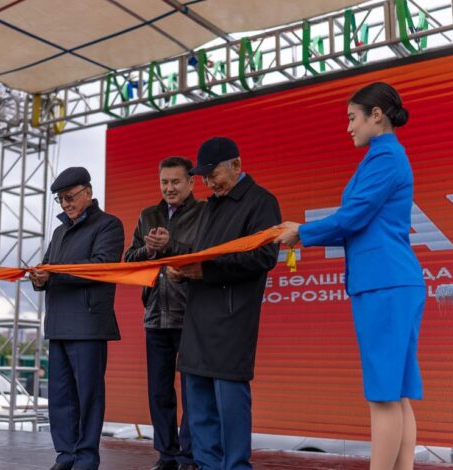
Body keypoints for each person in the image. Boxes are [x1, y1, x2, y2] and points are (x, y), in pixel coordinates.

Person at [275, 82, 425, 470]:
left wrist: (302, 231)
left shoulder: (385, 157)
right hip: (390, 281)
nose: (348, 127)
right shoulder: (384, 156)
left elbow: (353, 216)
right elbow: (358, 223)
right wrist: (303, 232)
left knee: (383, 394)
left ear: (376, 114)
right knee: (396, 392)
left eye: (352, 118)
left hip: (384, 283)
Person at [167, 137, 281, 470]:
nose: (208, 182)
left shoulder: (261, 202)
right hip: (198, 317)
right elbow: (202, 255)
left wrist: (206, 271)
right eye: (203, 176)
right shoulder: (211, 206)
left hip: (232, 317)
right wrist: (182, 269)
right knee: (198, 406)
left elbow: (264, 256)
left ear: (236, 165)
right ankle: (207, 465)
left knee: (230, 403)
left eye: (213, 174)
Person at [30, 167, 124, 470]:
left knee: (88, 397)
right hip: (58, 323)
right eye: (60, 199)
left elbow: (100, 267)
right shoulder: (59, 232)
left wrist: (53, 273)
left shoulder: (108, 225)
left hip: (88, 325)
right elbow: (48, 266)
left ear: (88, 192)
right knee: (60, 397)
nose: (65, 204)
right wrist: (39, 278)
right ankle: (66, 455)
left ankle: (85, 458)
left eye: (70, 197)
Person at [124, 156, 203, 470]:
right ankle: (167, 455)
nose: (169, 188)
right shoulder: (148, 215)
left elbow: (204, 256)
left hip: (192, 314)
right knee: (159, 392)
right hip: (155, 314)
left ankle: (190, 456)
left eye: (175, 181)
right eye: (164, 182)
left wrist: (170, 246)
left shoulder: (205, 212)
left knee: (193, 391)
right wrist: (150, 250)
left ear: (191, 182)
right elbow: (129, 261)